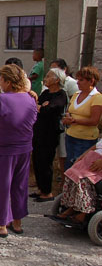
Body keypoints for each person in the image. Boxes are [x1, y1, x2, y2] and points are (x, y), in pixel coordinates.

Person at [0, 64, 38, 237]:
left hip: (3, 149)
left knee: (3, 187)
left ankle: (1, 225)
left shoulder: (2, 99)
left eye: (1, 81)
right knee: (20, 186)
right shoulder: (30, 98)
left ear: (7, 81)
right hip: (24, 148)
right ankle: (17, 222)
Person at [30, 68, 68, 202]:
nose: (45, 79)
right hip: (38, 131)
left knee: (46, 162)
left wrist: (42, 107)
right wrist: (41, 106)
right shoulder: (46, 92)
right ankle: (41, 189)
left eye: (48, 76)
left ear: (57, 80)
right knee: (37, 160)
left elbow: (51, 108)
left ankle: (47, 192)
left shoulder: (61, 95)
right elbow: (36, 106)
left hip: (50, 133)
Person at [62, 66, 102, 170]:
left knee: (79, 166)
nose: (77, 82)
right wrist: (67, 117)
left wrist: (75, 121)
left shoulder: (97, 97)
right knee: (69, 163)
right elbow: (69, 110)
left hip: (86, 139)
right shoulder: (76, 94)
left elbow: (94, 120)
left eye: (81, 80)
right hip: (71, 135)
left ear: (91, 81)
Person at [56, 141, 102, 224]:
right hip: (93, 160)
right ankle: (73, 206)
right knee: (72, 173)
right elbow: (96, 146)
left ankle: (85, 212)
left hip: (99, 166)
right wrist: (81, 157)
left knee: (83, 179)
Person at [50, 58, 78, 179]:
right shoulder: (49, 82)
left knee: (63, 152)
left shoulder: (71, 83)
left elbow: (74, 99)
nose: (53, 71)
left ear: (64, 69)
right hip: (51, 121)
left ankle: (64, 178)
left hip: (63, 121)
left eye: (56, 68)